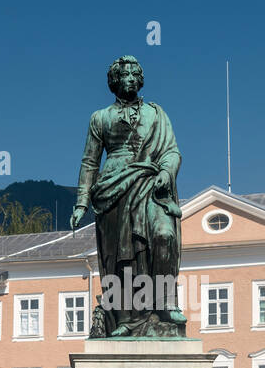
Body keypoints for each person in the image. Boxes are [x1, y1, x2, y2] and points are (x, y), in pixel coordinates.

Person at [70, 55, 185, 337]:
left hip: (150, 183)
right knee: (120, 257)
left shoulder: (157, 114)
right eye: (124, 75)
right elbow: (89, 162)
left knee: (163, 235)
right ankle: (125, 319)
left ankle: (164, 302)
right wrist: (82, 201)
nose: (130, 79)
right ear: (114, 82)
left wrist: (166, 173)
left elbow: (171, 151)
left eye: (135, 74)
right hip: (113, 188)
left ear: (140, 79)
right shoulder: (100, 118)